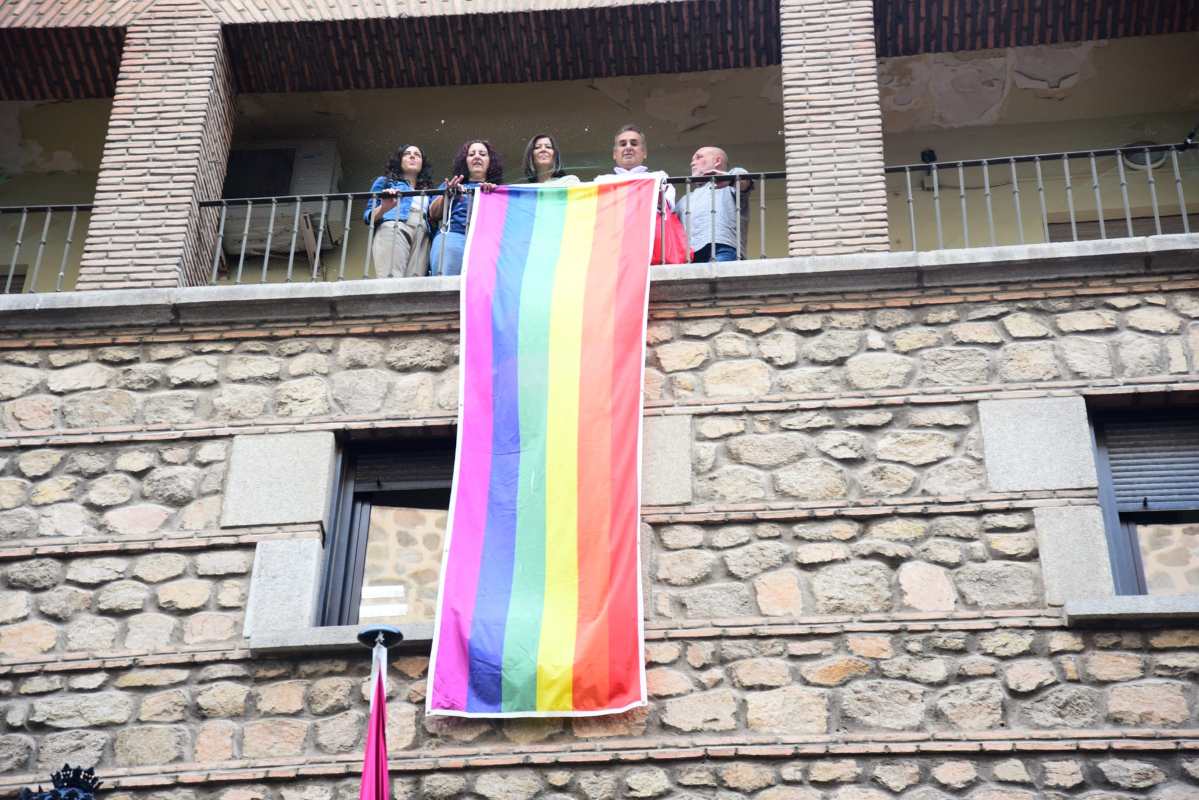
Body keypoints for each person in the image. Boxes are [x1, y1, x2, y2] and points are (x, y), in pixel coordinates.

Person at [428, 140, 502, 277]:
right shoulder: (451, 185)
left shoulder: (498, 190)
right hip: (453, 236)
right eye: (471, 154)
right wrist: (448, 194)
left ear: (490, 161)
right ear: (465, 161)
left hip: (486, 239)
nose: (477, 157)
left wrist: (494, 194)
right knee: (445, 287)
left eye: (482, 154)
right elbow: (433, 213)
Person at [363, 144, 434, 278]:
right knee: (391, 279)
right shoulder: (385, 182)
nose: (412, 156)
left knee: (415, 285)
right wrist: (384, 208)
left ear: (422, 164)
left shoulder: (428, 191)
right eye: (407, 154)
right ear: (400, 160)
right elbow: (368, 216)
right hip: (394, 224)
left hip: (422, 233)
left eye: (417, 155)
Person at [673, 146, 753, 263]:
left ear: (717, 161)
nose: (692, 163)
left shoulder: (729, 186)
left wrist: (730, 180)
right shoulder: (684, 200)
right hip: (691, 255)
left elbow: (744, 181)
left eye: (699, 157)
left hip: (722, 248)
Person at [595, 124, 675, 205]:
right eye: (623, 144)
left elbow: (667, 208)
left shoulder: (659, 177)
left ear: (644, 153)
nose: (628, 147)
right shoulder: (601, 181)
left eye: (634, 144)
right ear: (615, 154)